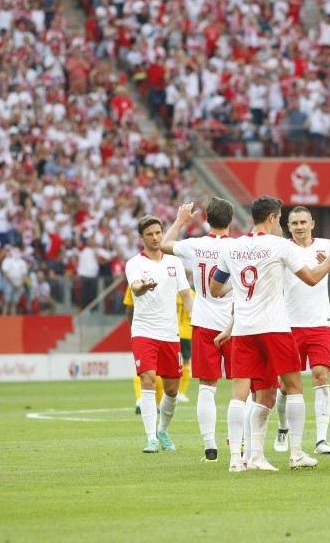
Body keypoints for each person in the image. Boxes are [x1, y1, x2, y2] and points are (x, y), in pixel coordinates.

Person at [209, 196, 330, 472]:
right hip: (274, 328)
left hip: (243, 331)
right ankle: (297, 453)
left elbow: (216, 290)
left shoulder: (233, 247)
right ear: (274, 218)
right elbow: (312, 278)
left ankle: (240, 460)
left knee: (242, 395)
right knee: (295, 388)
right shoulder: (279, 246)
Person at [161, 198, 236, 464]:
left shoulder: (196, 244)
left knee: (207, 387)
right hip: (235, 323)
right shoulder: (238, 247)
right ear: (231, 220)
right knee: (243, 385)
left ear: (205, 218)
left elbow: (164, 245)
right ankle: (240, 443)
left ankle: (210, 448)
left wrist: (181, 220)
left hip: (204, 322)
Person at [273, 206, 330, 456]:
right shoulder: (283, 248)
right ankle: (282, 428)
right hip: (289, 324)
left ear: (312, 223)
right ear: (289, 226)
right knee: (285, 386)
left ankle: (321, 440)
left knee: (321, 376)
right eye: (295, 223)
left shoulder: (328, 246)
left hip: (320, 322)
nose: (300, 226)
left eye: (304, 222)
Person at [125, 215, 194, 453]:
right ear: (141, 238)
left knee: (172, 389)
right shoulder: (134, 263)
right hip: (144, 331)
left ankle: (163, 430)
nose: (155, 238)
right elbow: (135, 287)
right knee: (148, 380)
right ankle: (151, 437)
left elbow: (186, 294)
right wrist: (144, 286)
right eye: (149, 234)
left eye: (158, 233)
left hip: (170, 334)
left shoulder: (174, 263)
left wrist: (195, 317)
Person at [126, 285, 163, 414]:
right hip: (161, 329)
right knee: (157, 369)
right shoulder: (164, 275)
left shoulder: (134, 278)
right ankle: (156, 403)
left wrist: (134, 328)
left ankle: (141, 400)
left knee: (142, 368)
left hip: (142, 330)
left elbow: (129, 307)